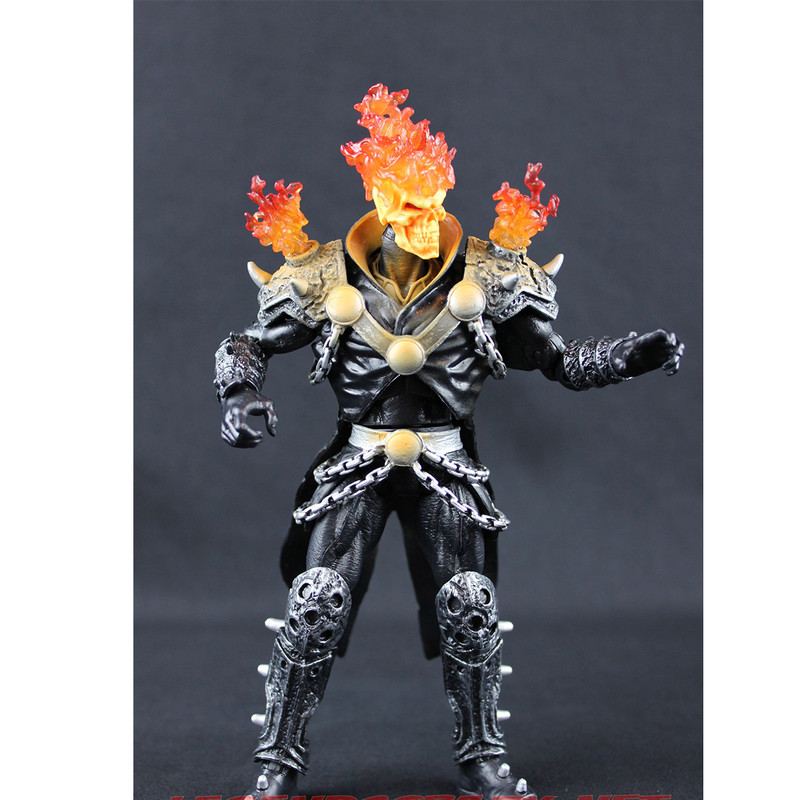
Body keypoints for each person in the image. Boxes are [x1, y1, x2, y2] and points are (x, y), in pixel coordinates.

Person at [214, 84, 683, 800]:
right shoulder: (322, 274)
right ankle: (277, 761)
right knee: (316, 602)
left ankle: (481, 757)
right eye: (408, 204)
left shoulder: (490, 274)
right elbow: (245, 342)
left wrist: (627, 357)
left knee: (469, 603)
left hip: (447, 464)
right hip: (358, 461)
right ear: (377, 198)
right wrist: (240, 395)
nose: (426, 219)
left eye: (434, 201)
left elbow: (559, 360)